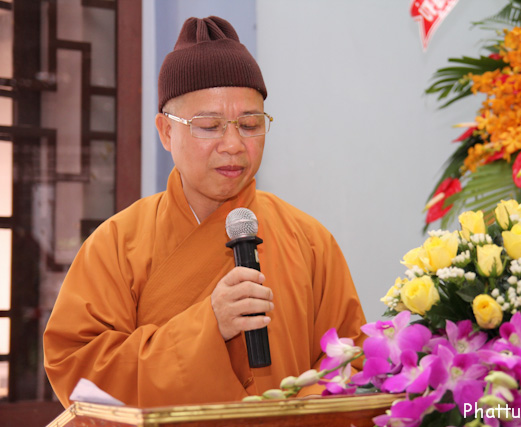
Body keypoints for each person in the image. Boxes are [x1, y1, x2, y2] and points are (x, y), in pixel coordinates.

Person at [43, 15, 366, 408]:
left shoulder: (310, 241)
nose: (233, 144)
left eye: (250, 124)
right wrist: (208, 326)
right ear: (166, 132)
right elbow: (76, 367)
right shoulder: (117, 244)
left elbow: (352, 365)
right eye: (210, 126)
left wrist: (281, 415)